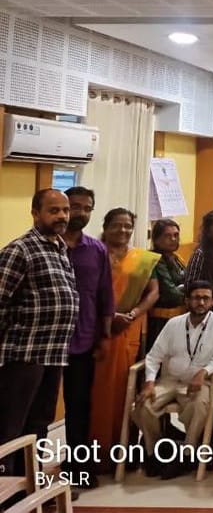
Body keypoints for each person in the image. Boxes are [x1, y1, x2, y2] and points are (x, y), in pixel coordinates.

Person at [0, 190, 79, 482]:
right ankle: (5, 491)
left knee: (39, 424)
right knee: (11, 428)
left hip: (53, 353)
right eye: (53, 210)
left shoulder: (60, 248)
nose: (62, 216)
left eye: (65, 210)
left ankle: (30, 487)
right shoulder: (20, 250)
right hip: (24, 354)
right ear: (35, 213)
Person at [132, 280, 213, 479]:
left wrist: (204, 372)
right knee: (142, 405)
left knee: (200, 406)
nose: (201, 302)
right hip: (170, 380)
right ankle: (155, 452)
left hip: (201, 382)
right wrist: (150, 382)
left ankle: (187, 455)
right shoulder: (174, 324)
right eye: (196, 298)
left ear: (212, 301)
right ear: (187, 300)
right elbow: (153, 356)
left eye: (205, 298)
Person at [89, 208, 160, 468]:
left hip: (129, 329)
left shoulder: (141, 259)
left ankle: (123, 451)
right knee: (96, 394)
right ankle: (94, 453)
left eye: (128, 226)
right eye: (117, 225)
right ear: (105, 227)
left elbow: (153, 292)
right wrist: (109, 316)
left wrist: (133, 313)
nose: (123, 230)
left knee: (125, 391)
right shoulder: (94, 254)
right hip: (97, 330)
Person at [60, 186, 114, 487]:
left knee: (79, 407)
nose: (80, 212)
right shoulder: (44, 245)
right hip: (42, 343)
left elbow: (105, 295)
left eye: (87, 208)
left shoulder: (96, 250)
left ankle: (77, 468)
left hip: (82, 341)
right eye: (74, 206)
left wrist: (104, 336)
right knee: (37, 413)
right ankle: (27, 472)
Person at [148, 218, 187, 350]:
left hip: (180, 317)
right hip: (161, 320)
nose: (173, 239)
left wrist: (183, 288)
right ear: (156, 239)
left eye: (176, 235)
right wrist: (186, 291)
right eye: (167, 236)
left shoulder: (177, 258)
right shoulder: (154, 259)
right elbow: (171, 294)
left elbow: (190, 282)